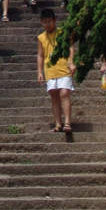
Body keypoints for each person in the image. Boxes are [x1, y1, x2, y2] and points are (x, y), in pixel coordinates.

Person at [36, 7, 76, 138]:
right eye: (45, 22)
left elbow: (70, 47)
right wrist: (39, 71)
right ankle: (58, 124)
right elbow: (40, 55)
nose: (47, 24)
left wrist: (71, 62)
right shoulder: (41, 37)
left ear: (54, 20)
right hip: (50, 69)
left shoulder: (63, 33)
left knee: (64, 93)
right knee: (54, 95)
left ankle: (67, 122)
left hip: (64, 67)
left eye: (49, 21)